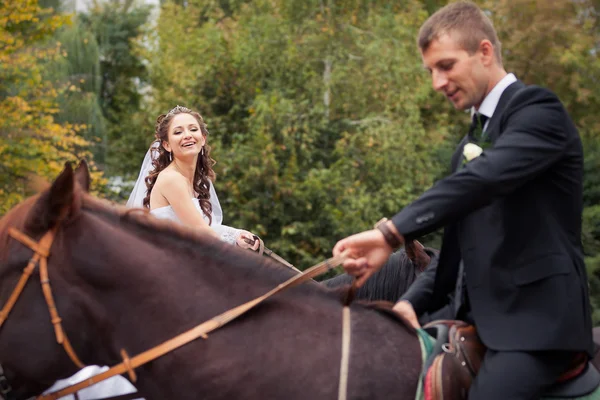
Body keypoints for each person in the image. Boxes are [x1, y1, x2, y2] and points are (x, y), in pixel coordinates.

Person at [332, 2, 593, 399]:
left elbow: (482, 180)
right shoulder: (468, 146)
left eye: (447, 65)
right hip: (474, 322)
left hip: (538, 327)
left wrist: (389, 232)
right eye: (431, 71)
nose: (438, 82)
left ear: (484, 52)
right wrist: (409, 304)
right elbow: (456, 255)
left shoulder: (540, 111)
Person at [127, 105, 259, 251]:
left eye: (193, 129)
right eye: (178, 132)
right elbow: (201, 231)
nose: (187, 135)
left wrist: (236, 235)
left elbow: (204, 227)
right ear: (167, 145)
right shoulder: (171, 179)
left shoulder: (196, 181)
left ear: (203, 139)